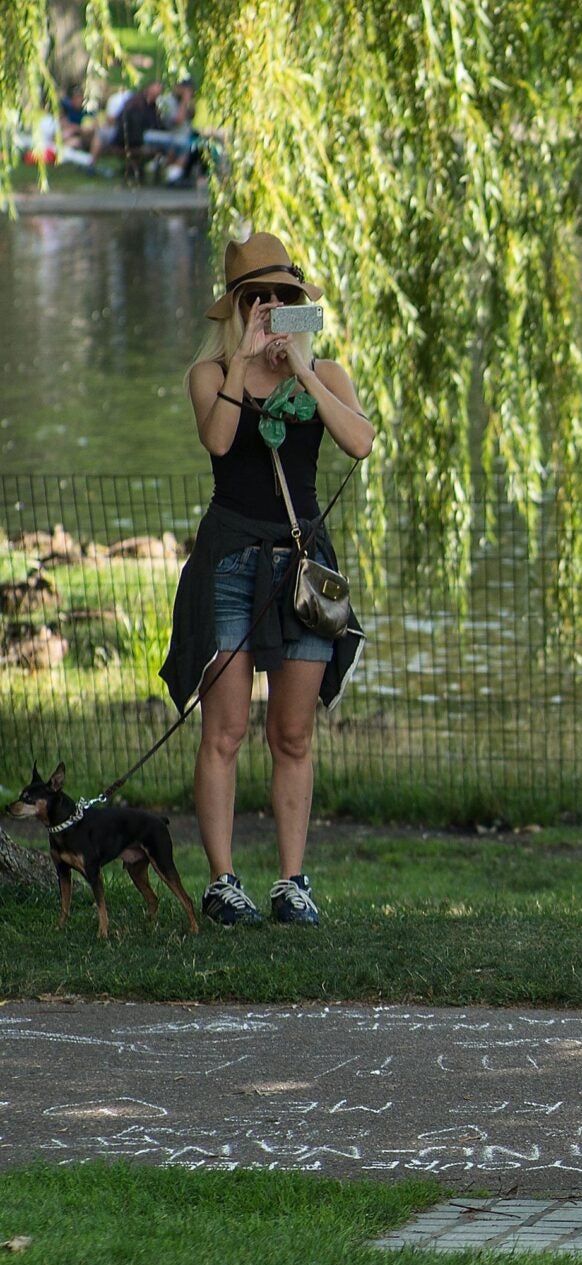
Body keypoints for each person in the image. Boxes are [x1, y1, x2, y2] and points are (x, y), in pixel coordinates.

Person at [166, 231, 375, 927]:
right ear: (236, 306)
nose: (272, 308)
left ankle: (293, 882)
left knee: (292, 734)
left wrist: (304, 372)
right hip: (229, 563)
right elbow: (219, 443)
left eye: (284, 298)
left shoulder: (328, 374)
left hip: (301, 570)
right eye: (259, 299)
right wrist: (246, 362)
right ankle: (224, 881)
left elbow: (361, 441)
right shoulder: (211, 375)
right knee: (223, 732)